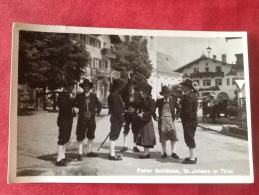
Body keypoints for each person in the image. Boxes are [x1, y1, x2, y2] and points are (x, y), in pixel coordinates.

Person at [74, 79, 102, 161]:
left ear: (90, 87)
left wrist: (98, 112)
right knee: (80, 135)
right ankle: (80, 153)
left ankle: (89, 152)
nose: (85, 87)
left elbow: (99, 104)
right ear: (82, 87)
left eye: (87, 86)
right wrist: (75, 109)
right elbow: (74, 104)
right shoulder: (79, 96)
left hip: (91, 119)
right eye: (84, 86)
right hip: (82, 119)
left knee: (91, 134)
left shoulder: (93, 96)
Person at [154, 86, 179, 159]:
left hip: (170, 120)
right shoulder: (159, 101)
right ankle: (164, 152)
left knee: (173, 136)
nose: (166, 95)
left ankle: (173, 152)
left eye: (167, 93)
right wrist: (155, 116)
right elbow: (152, 109)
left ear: (169, 94)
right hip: (162, 121)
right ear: (163, 94)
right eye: (165, 93)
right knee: (163, 137)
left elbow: (179, 108)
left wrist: (176, 115)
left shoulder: (173, 100)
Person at [56, 83, 75, 166]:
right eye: (71, 86)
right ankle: (58, 159)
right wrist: (71, 100)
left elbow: (73, 105)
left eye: (73, 86)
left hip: (69, 119)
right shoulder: (61, 96)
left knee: (66, 138)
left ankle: (62, 156)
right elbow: (65, 106)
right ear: (67, 87)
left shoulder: (69, 95)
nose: (73, 88)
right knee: (62, 138)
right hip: (63, 119)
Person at [120, 79, 142, 153]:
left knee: (135, 130)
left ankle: (134, 146)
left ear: (134, 86)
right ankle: (125, 146)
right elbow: (121, 103)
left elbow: (142, 103)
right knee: (126, 129)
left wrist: (139, 110)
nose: (130, 87)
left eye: (132, 85)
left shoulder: (138, 93)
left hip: (135, 115)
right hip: (127, 114)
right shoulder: (124, 93)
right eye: (129, 85)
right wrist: (124, 110)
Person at [180, 79, 198, 164]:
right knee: (190, 137)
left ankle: (192, 158)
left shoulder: (188, 96)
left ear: (187, 87)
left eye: (183, 86)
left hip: (189, 121)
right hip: (191, 120)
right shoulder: (192, 95)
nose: (182, 87)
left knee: (189, 138)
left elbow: (187, 111)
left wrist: (182, 116)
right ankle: (192, 156)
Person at [136, 84, 156, 159]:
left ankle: (146, 153)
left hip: (147, 120)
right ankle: (146, 153)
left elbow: (152, 111)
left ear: (147, 93)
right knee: (144, 136)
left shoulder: (151, 101)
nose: (141, 94)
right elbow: (139, 108)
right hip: (142, 120)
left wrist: (143, 114)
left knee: (147, 137)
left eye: (143, 92)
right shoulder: (142, 101)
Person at [107, 79, 125, 160]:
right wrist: (122, 120)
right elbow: (117, 110)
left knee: (113, 135)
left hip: (115, 118)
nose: (121, 88)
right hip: (116, 119)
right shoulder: (114, 96)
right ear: (117, 87)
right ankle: (112, 155)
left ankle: (112, 152)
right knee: (114, 136)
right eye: (120, 86)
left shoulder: (114, 95)